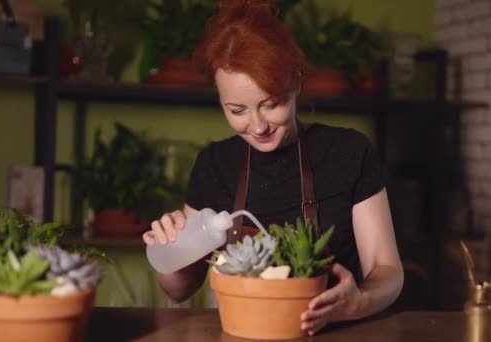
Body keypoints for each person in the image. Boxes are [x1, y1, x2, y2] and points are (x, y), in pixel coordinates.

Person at [142, 0, 403, 336]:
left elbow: (387, 270)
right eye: (237, 110)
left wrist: (359, 301)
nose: (258, 125)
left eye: (271, 104)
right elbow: (179, 289)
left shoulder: (350, 152)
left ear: (295, 82)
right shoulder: (214, 165)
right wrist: (169, 246)